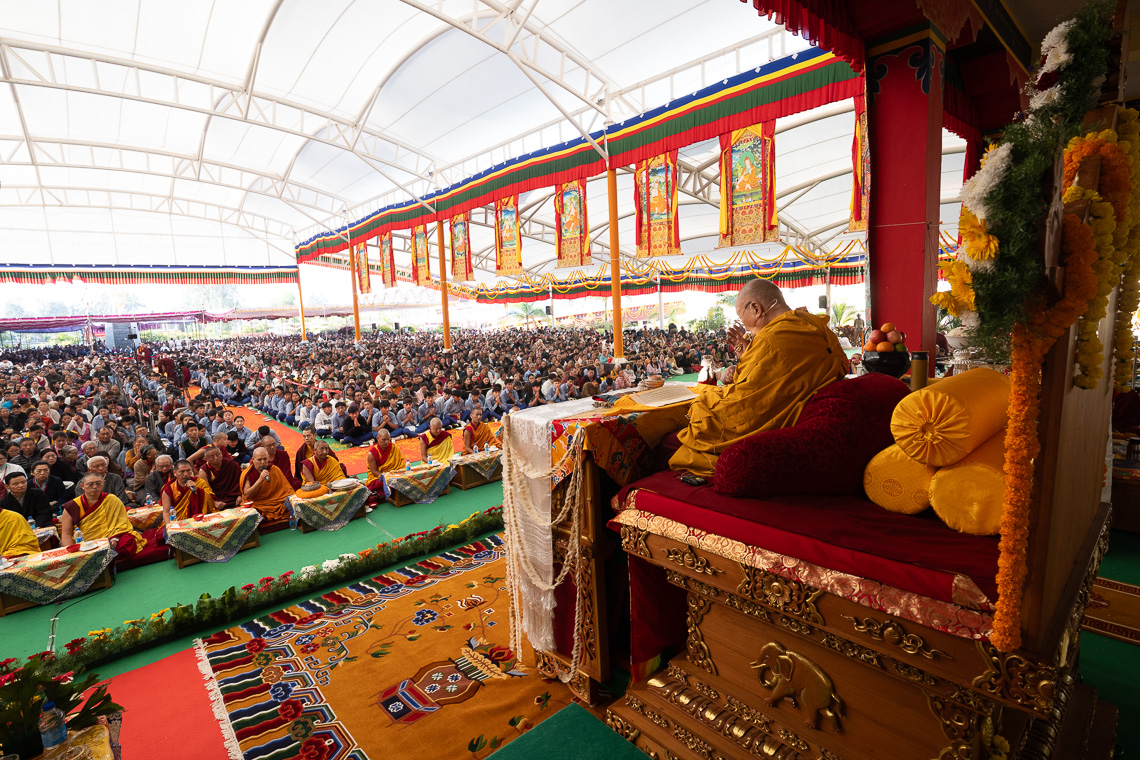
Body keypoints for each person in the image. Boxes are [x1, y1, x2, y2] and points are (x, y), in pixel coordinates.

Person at [670, 279, 847, 477]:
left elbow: (742, 404)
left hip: (777, 433)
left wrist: (704, 402)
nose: (743, 325)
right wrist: (747, 355)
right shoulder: (814, 324)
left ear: (755, 308)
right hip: (806, 414)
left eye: (740, 315)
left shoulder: (770, 339)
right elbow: (774, 377)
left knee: (701, 407)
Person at [60, 473, 147, 557]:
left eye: (98, 483)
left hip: (111, 540)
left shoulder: (112, 500)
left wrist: (115, 539)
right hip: (85, 544)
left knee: (127, 543)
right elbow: (66, 535)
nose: (95, 487)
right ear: (82, 486)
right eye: (90, 484)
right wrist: (73, 554)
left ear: (103, 483)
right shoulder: (71, 506)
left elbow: (122, 524)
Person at [239, 446, 293, 523]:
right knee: (252, 514)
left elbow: (286, 490)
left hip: (276, 502)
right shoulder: (248, 474)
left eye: (265, 459)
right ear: (253, 460)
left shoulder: (274, 469)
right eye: (259, 460)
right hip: (259, 504)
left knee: (292, 504)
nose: (263, 462)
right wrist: (260, 480)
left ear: (268, 458)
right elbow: (247, 495)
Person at [161, 459, 215, 524]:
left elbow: (211, 500)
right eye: (182, 471)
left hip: (201, 519)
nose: (186, 474)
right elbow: (166, 511)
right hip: (178, 522)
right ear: (175, 473)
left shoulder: (200, 483)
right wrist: (169, 527)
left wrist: (197, 490)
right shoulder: (169, 488)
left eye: (188, 470)